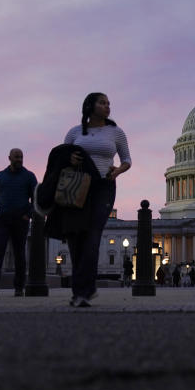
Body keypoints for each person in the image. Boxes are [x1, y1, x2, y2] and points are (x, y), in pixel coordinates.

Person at [63, 92, 132, 307]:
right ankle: (83, 289)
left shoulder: (116, 132)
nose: (107, 106)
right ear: (90, 106)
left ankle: (82, 290)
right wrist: (70, 157)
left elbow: (127, 160)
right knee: (76, 239)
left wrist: (118, 170)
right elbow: (61, 157)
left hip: (104, 185)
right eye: (102, 102)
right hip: (77, 186)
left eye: (109, 103)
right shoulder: (74, 132)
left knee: (93, 237)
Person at [0, 148, 38, 297]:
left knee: (19, 254)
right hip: (2, 219)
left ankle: (19, 287)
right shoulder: (0, 176)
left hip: (21, 220)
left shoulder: (29, 176)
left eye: (21, 157)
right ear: (9, 158)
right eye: (16, 157)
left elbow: (36, 198)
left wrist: (28, 215)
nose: (19, 159)